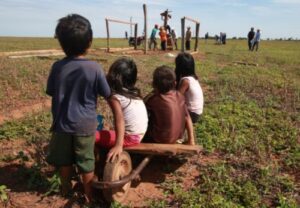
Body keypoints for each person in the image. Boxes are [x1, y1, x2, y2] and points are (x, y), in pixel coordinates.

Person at [46, 14, 111, 204]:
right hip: (85, 125)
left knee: (65, 161)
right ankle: (89, 195)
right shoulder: (95, 68)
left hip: (61, 124)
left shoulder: (57, 67)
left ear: (62, 44)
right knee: (86, 162)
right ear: (89, 42)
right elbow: (106, 92)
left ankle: (65, 189)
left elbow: (51, 91)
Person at [95, 58, 148, 161]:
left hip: (128, 138)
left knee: (90, 136)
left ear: (113, 77)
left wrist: (118, 145)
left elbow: (119, 119)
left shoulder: (115, 97)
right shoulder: (132, 94)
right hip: (139, 135)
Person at [144, 66, 195, 145]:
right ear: (175, 83)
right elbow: (187, 117)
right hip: (177, 138)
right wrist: (191, 140)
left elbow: (142, 109)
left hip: (158, 139)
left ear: (154, 85)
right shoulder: (180, 96)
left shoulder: (154, 100)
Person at [175, 52, 204, 123]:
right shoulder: (193, 78)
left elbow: (176, 99)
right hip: (196, 112)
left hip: (191, 115)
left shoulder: (185, 81)